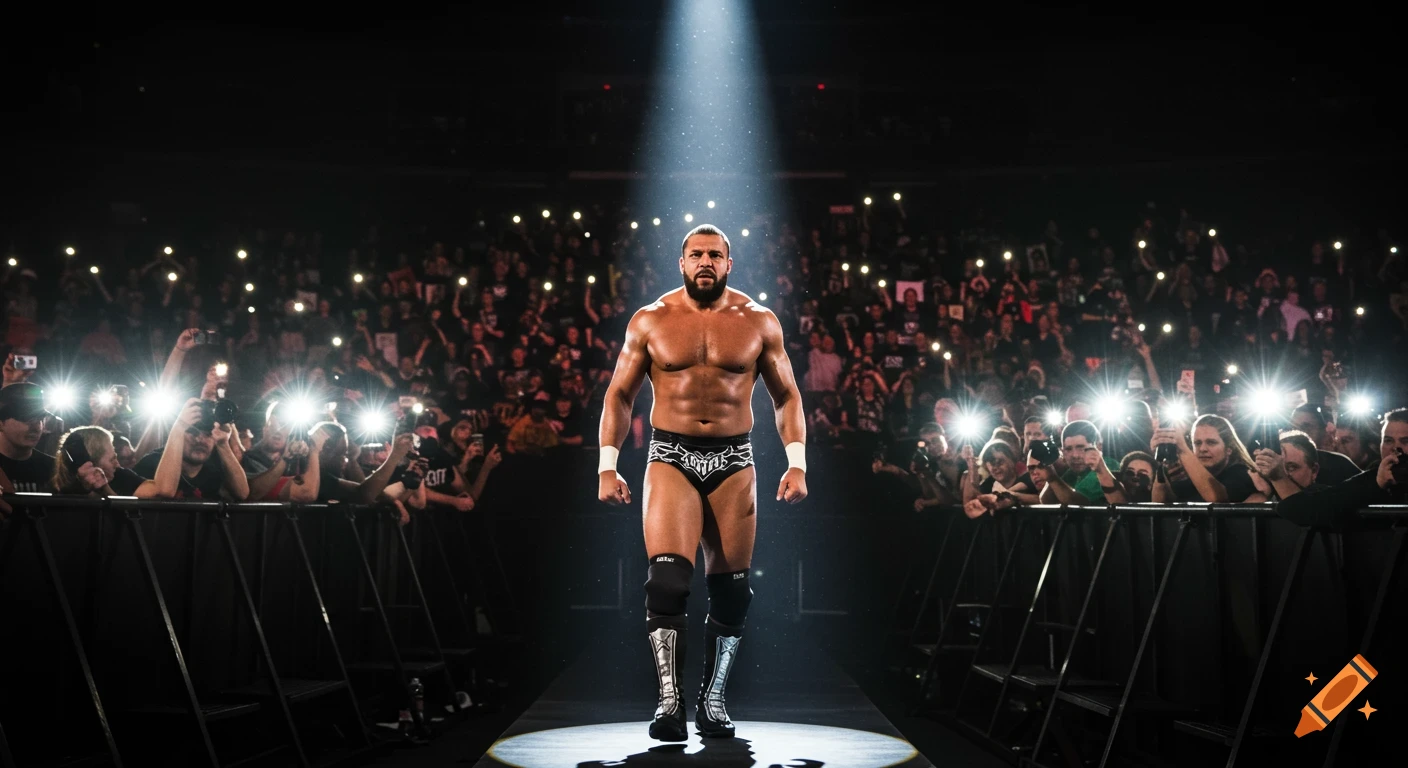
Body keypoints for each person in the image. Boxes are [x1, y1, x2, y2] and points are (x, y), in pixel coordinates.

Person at [596, 224, 807, 741]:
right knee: (667, 582)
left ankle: (713, 700)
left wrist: (797, 461)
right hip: (671, 454)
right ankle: (670, 701)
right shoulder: (651, 319)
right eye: (697, 254)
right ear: (682, 262)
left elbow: (788, 396)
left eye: (715, 254)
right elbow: (619, 395)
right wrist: (606, 463)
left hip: (736, 460)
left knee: (733, 594)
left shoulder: (759, 320)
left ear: (729, 263)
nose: (706, 261)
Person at [1277, 409, 1408, 528]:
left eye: (1405, 441)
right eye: (1388, 440)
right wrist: (1375, 483)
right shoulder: (1375, 476)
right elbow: (1312, 508)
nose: (1395, 448)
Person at [133, 398, 251, 500]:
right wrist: (179, 426)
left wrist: (223, 443)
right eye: (192, 432)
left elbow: (242, 493)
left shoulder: (214, 467)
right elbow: (165, 491)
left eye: (208, 434)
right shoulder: (151, 463)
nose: (200, 440)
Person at [1152, 414, 1257, 503]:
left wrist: (1182, 450)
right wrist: (1161, 461)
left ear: (1229, 449)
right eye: (1197, 443)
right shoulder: (1189, 476)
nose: (1202, 449)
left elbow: (1216, 499)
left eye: (1211, 442)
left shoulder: (1242, 474)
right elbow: (1161, 503)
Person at [49, 426, 169, 497]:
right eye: (112, 460)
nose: (117, 464)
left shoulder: (120, 475)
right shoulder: (49, 483)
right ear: (91, 463)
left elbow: (163, 490)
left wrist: (105, 490)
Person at [1034, 420, 1120, 504]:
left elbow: (1079, 503)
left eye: (1080, 447)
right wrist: (1055, 471)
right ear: (1062, 452)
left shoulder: (1108, 465)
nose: (1075, 455)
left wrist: (1053, 478)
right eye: (1068, 449)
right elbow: (1047, 501)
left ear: (1098, 446)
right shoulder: (1072, 472)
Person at [0, 383, 58, 493]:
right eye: (25, 418)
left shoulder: (55, 469)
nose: (36, 426)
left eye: (40, 418)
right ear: (1, 423)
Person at [1287, 404, 1361, 485]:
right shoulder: (1282, 465)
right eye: (1293, 428)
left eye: (1305, 427)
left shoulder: (1339, 464)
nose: (1297, 433)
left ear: (1323, 431)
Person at [1246, 430, 1326, 502]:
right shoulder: (1262, 493)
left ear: (1314, 470)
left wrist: (1278, 476)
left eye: (1291, 468)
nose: (1284, 472)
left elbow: (1304, 513)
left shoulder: (1329, 498)